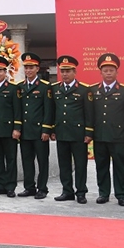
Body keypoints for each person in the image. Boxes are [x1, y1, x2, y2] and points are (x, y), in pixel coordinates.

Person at [90, 53, 124, 206]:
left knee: (120, 167)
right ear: (100, 72)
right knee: (101, 166)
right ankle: (103, 193)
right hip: (100, 136)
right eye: (105, 70)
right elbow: (91, 115)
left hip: (118, 136)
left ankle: (121, 194)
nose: (108, 73)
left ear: (117, 72)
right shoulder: (93, 90)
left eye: (111, 70)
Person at [52, 56, 94, 204]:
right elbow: (53, 111)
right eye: (62, 71)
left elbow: (89, 113)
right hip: (62, 132)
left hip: (78, 134)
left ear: (74, 72)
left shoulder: (84, 90)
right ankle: (67, 191)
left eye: (68, 71)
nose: (65, 74)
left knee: (80, 164)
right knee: (64, 164)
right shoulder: (55, 89)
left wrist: (89, 132)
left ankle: (81, 192)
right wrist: (52, 129)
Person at [18, 53, 54, 199]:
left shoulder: (45, 87)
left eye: (31, 67)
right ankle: (29, 187)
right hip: (25, 131)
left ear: (37, 68)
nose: (28, 70)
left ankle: (42, 188)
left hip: (40, 132)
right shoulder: (20, 87)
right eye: (26, 67)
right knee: (27, 161)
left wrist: (46, 129)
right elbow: (18, 110)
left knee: (42, 161)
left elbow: (48, 110)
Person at [0, 56, 22, 198]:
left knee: (11, 159)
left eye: (0, 71)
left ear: (5, 72)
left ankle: (10, 186)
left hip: (9, 131)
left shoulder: (13, 89)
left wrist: (17, 128)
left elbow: (17, 110)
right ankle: (0, 184)